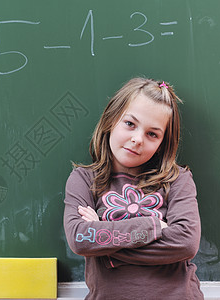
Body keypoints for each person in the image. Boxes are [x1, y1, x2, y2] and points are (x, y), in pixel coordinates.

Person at [63, 77, 203, 299]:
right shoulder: (84, 179)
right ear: (111, 120)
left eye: (152, 134)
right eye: (130, 124)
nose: (138, 139)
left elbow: (186, 243)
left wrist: (107, 249)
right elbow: (80, 238)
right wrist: (153, 227)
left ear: (161, 144)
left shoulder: (177, 179)